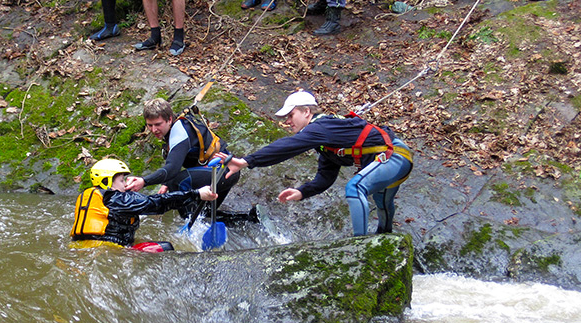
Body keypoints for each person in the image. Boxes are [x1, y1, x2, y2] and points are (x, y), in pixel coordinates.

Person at [220, 90, 413, 236]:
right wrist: (303, 191)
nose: (287, 121)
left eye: (290, 115)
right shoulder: (324, 140)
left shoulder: (321, 126)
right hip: (394, 161)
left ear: (306, 111)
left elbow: (289, 146)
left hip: (394, 156)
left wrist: (246, 161)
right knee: (383, 203)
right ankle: (385, 238)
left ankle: (359, 246)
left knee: (355, 188)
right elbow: (326, 177)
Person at [70, 158, 217, 250]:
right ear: (106, 182)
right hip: (107, 249)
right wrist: (196, 194)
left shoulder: (89, 197)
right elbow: (156, 203)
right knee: (166, 247)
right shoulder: (117, 199)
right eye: (121, 180)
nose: (125, 184)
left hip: (81, 246)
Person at [124, 98, 240, 212]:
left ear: (169, 119)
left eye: (158, 124)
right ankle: (250, 218)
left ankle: (188, 227)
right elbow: (175, 157)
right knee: (204, 215)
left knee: (177, 182)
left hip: (224, 171)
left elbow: (172, 169)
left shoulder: (180, 132)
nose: (154, 130)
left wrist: (144, 181)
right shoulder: (175, 126)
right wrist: (165, 183)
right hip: (217, 171)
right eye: (150, 125)